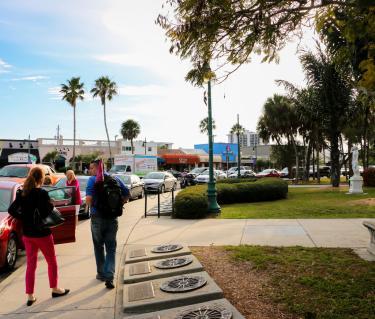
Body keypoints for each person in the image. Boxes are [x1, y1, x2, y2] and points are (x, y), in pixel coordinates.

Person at [8, 167, 69, 307]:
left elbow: (11, 210)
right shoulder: (42, 193)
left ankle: (30, 296)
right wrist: (51, 203)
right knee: (51, 262)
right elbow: (48, 211)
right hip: (42, 234)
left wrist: (24, 218)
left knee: (31, 265)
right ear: (41, 178)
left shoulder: (22, 193)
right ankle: (55, 289)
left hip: (28, 235)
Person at [86, 160, 129, 289]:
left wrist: (95, 205)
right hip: (112, 218)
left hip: (97, 218)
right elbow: (127, 194)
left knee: (98, 246)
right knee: (111, 248)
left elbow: (88, 200)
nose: (90, 170)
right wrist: (117, 205)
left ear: (96, 168)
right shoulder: (115, 178)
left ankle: (101, 274)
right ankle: (109, 276)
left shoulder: (92, 180)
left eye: (91, 168)